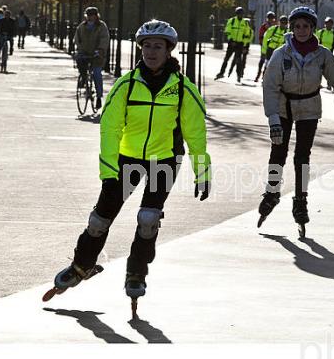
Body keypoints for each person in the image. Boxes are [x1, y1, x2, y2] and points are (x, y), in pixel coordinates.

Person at [47, 19, 211, 303]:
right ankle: (81, 266)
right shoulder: (127, 85)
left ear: (169, 50)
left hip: (164, 159)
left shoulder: (183, 88)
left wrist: (202, 170)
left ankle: (136, 272)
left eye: (158, 46)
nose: (151, 51)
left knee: (148, 219)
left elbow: (195, 131)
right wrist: (109, 168)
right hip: (127, 158)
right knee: (99, 220)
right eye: (146, 46)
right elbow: (109, 127)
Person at [257, 6, 334, 233]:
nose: (301, 30)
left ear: (313, 28)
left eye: (306, 26)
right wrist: (273, 118)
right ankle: (272, 191)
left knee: (302, 156)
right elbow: (270, 87)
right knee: (278, 152)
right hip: (284, 108)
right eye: (297, 26)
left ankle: (301, 199)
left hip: (309, 108)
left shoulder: (323, 55)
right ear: (291, 28)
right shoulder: (281, 54)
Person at [74, 7, 110, 111]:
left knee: (97, 73)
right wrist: (79, 49)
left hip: (97, 55)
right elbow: (77, 39)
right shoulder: (82, 26)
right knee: (80, 62)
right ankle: (84, 79)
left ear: (96, 16)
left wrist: (100, 49)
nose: (90, 17)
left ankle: (99, 96)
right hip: (85, 53)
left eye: (92, 15)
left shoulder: (101, 26)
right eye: (88, 15)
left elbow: (105, 38)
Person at [214, 6, 253, 82]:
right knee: (226, 59)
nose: (240, 15)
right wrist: (231, 40)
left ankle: (238, 76)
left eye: (241, 14)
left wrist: (244, 44)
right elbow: (228, 31)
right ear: (236, 14)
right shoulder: (231, 21)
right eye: (239, 14)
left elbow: (247, 34)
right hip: (231, 43)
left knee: (238, 61)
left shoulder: (245, 23)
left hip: (240, 44)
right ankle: (221, 73)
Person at [254, 11, 277, 82]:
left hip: (273, 47)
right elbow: (261, 35)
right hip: (265, 46)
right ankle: (258, 74)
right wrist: (262, 43)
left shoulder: (276, 26)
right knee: (262, 60)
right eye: (269, 18)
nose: (271, 20)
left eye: (272, 18)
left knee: (271, 62)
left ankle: (267, 76)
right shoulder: (264, 26)